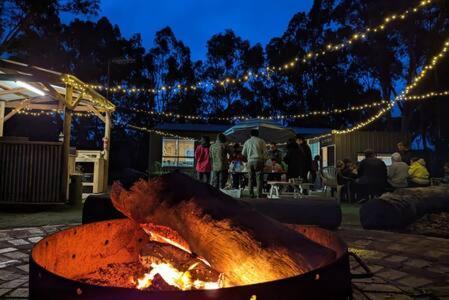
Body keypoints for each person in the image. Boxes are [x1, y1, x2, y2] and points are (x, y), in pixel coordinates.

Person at [242, 129, 267, 198]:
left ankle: (251, 194)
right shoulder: (261, 141)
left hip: (250, 161)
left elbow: (243, 153)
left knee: (250, 178)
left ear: (250, 135)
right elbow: (265, 152)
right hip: (259, 161)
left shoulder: (247, 142)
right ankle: (259, 194)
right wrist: (264, 161)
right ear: (258, 134)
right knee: (259, 179)